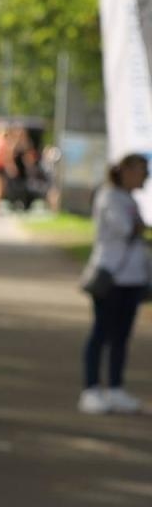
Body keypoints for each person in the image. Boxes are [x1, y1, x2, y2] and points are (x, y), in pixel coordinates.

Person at [78, 153, 150, 415]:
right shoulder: (109, 196)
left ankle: (116, 388)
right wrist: (139, 226)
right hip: (111, 277)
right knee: (101, 333)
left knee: (121, 337)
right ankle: (91, 389)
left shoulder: (129, 198)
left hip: (132, 279)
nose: (145, 175)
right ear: (126, 171)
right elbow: (126, 228)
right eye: (141, 170)